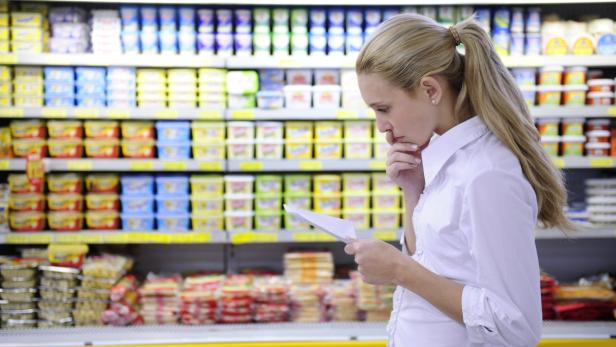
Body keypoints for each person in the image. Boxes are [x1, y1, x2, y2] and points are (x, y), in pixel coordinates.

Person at [344, 14, 573, 347]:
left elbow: (516, 326)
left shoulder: (488, 174)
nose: (381, 125)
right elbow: (437, 261)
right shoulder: (448, 158)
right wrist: (413, 191)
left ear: (430, 89)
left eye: (384, 108)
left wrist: (399, 271)